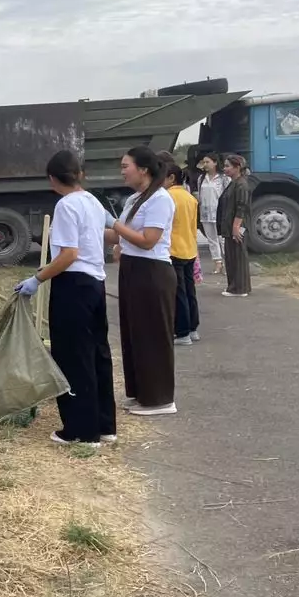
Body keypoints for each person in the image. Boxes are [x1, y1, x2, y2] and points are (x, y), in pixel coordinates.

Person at [14, 150, 116, 446]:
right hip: (95, 283)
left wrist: (38, 277)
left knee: (73, 356)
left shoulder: (66, 205)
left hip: (73, 285)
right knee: (98, 353)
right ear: (80, 174)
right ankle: (105, 426)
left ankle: (81, 431)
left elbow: (69, 255)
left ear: (52, 179)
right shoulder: (92, 201)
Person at [108, 146, 177, 416]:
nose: (122, 171)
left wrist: (114, 225)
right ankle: (143, 394)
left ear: (143, 169)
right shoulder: (134, 199)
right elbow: (119, 236)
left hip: (153, 271)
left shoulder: (160, 199)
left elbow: (148, 241)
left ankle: (161, 399)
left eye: (126, 166)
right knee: (135, 334)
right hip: (133, 270)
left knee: (153, 336)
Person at [165, 164, 200, 345]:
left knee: (178, 293)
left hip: (174, 249)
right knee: (189, 291)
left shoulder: (167, 197)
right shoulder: (189, 197)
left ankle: (182, 332)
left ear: (171, 178)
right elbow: (194, 225)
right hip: (189, 248)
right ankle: (193, 328)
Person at [218, 154, 253, 298]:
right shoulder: (234, 182)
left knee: (238, 257)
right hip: (231, 226)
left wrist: (236, 227)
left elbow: (242, 207)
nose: (224, 169)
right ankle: (234, 286)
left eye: (227, 166)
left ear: (237, 167)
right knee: (232, 257)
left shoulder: (241, 184)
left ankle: (240, 288)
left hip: (237, 226)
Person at [197, 154, 226, 275]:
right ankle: (217, 263)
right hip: (205, 213)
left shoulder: (223, 178)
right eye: (203, 162)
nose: (205, 165)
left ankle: (228, 263)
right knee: (211, 239)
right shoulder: (201, 178)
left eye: (207, 162)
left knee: (222, 239)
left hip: (219, 213)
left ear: (215, 163)